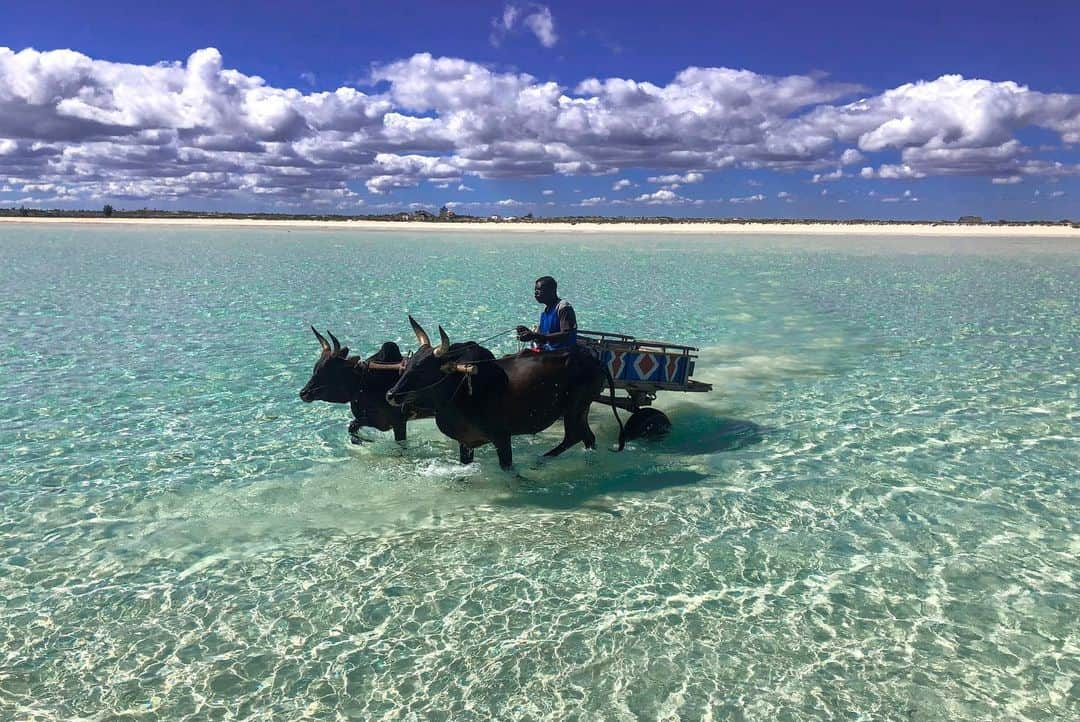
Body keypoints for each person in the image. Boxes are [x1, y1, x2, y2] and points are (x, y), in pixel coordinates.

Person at [516, 276, 578, 352]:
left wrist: (535, 335)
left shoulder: (563, 308)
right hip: (549, 351)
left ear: (551, 291)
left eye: (539, 290)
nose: (535, 293)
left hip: (564, 353)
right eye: (535, 290)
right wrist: (529, 334)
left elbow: (566, 335)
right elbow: (543, 339)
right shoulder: (545, 313)